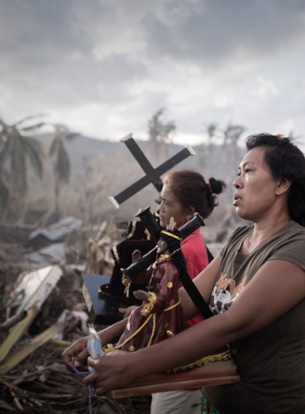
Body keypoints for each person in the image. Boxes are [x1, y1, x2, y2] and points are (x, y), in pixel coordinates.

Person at [62, 133, 305, 414]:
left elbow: (232, 324)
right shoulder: (238, 239)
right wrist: (105, 336)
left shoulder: (299, 246)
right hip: (216, 401)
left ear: (282, 183)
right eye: (238, 172)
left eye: (249, 171)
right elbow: (182, 302)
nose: (236, 181)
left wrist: (134, 365)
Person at [118, 169, 226, 414]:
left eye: (167, 203)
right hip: (174, 350)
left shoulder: (187, 251)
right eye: (160, 202)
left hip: (184, 357)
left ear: (189, 213)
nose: (159, 210)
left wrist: (143, 309)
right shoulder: (181, 244)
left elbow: (177, 306)